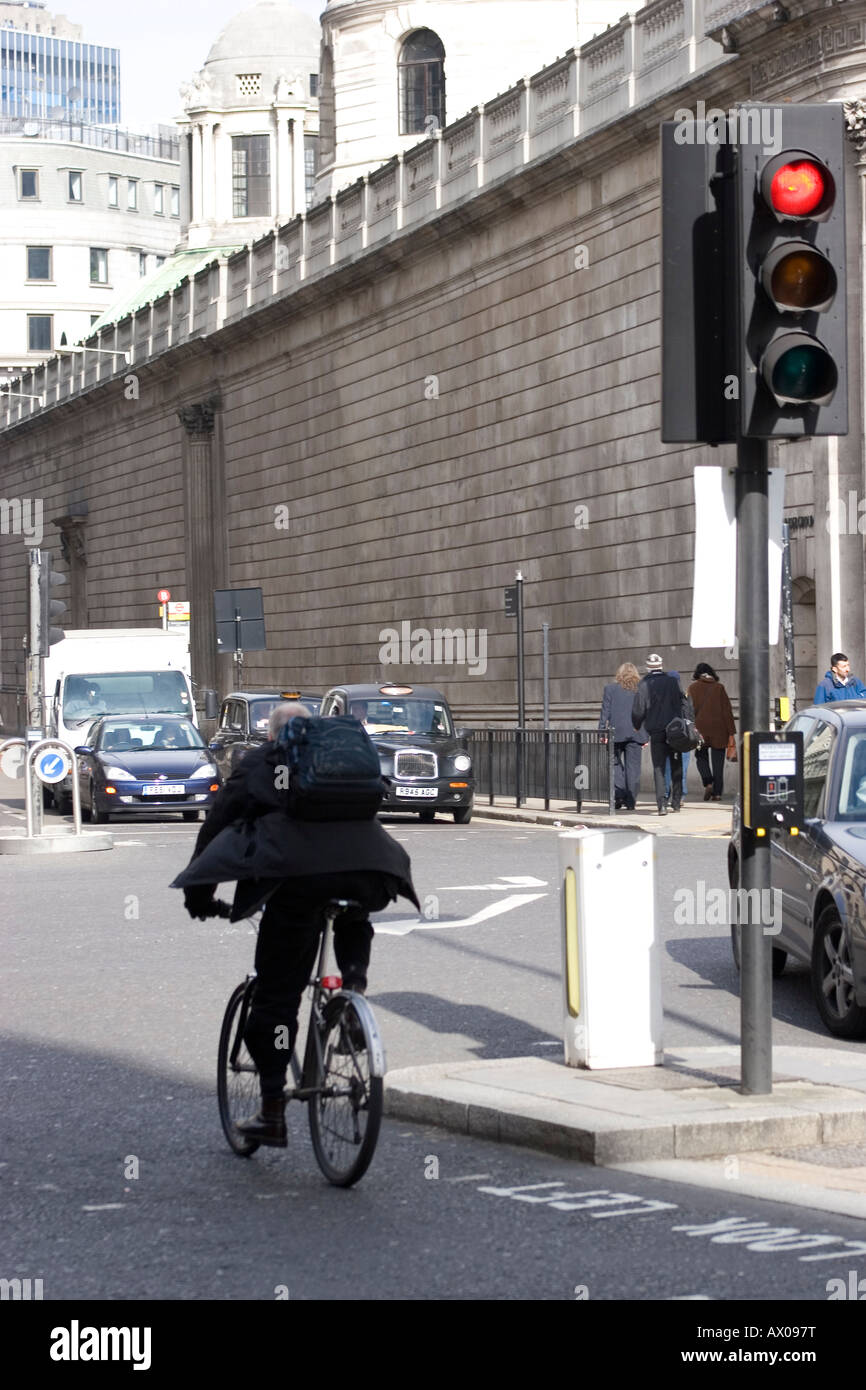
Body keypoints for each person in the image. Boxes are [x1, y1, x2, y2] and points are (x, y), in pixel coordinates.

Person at [172, 703, 418, 1147]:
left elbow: (218, 823)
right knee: (351, 911)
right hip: (370, 867)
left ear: (272, 736)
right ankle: (352, 993)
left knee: (276, 1000)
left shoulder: (264, 762)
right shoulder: (335, 760)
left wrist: (200, 893)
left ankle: (271, 1113)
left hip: (297, 878)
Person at [631, 654, 689, 815]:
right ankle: (676, 803)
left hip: (656, 730)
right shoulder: (672, 681)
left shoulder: (644, 684)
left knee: (659, 767)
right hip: (674, 730)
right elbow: (683, 702)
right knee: (677, 765)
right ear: (661, 665)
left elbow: (638, 709)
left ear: (648, 667)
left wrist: (636, 725)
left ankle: (661, 804)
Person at [599, 663, 647, 810]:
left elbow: (605, 712)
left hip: (616, 731)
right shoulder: (641, 688)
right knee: (633, 768)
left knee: (614, 764)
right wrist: (646, 736)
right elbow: (646, 712)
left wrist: (602, 731)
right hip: (636, 731)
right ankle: (631, 800)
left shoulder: (610, 689)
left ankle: (619, 794)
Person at [687, 662, 736, 801]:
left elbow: (689, 711)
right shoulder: (719, 688)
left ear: (697, 674)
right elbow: (727, 711)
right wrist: (731, 731)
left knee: (700, 756)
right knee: (718, 763)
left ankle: (708, 781)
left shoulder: (692, 688)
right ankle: (718, 793)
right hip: (719, 730)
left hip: (700, 729)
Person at [664, 671, 690, 803]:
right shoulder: (684, 696)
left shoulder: (663, 697)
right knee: (682, 766)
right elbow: (690, 716)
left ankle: (666, 793)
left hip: (668, 735)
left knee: (667, 766)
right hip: (683, 736)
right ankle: (681, 794)